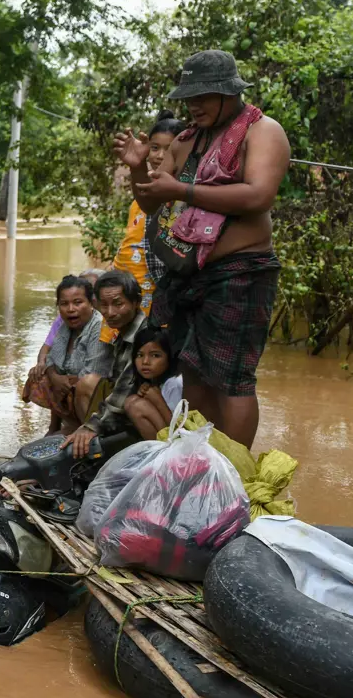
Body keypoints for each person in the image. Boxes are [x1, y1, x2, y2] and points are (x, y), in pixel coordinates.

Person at [113, 49, 289, 448]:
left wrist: (181, 189)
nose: (193, 106)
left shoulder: (263, 132)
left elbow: (259, 196)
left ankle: (235, 472)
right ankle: (201, 461)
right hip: (187, 274)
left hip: (240, 272)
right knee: (193, 370)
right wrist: (139, 167)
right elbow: (152, 202)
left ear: (230, 93)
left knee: (233, 379)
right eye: (188, 98)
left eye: (204, 97)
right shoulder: (185, 140)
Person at [65, 270, 148, 457]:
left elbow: (123, 394)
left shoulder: (143, 338)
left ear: (136, 302)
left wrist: (91, 427)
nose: (110, 313)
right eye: (104, 305)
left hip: (141, 416)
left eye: (118, 304)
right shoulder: (124, 332)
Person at [111, 112, 184, 314]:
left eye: (169, 149)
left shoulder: (183, 192)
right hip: (126, 286)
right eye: (154, 148)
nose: (159, 156)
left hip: (158, 293)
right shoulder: (143, 189)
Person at [23, 275, 110, 434]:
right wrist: (55, 376)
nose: (71, 309)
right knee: (39, 376)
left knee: (83, 383)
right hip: (71, 385)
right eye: (64, 304)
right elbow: (50, 357)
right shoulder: (64, 325)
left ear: (91, 303)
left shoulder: (98, 326)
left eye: (78, 302)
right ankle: (59, 427)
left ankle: (88, 431)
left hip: (98, 397)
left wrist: (63, 380)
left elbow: (92, 373)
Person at [123, 326, 180, 440]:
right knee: (131, 401)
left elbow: (181, 430)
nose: (145, 362)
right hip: (172, 437)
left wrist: (157, 400)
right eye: (140, 355)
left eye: (155, 355)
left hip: (183, 443)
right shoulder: (156, 381)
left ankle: (161, 454)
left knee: (137, 407)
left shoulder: (174, 383)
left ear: (170, 357)